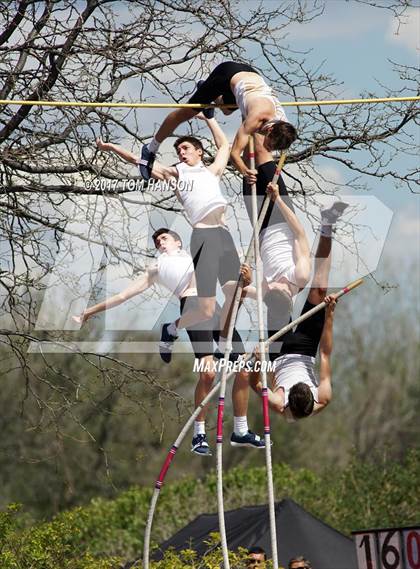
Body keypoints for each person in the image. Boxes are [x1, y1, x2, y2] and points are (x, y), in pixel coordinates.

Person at [72, 228, 265, 455]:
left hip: (214, 308)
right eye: (156, 242)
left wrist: (263, 288)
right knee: (208, 373)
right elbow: (122, 296)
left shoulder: (193, 254)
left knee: (243, 368)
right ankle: (199, 435)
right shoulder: (156, 268)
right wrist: (88, 312)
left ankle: (241, 431)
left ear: (177, 241)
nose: (159, 243)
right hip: (192, 306)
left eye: (164, 239)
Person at [97, 113, 246, 364]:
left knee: (237, 292)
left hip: (225, 236)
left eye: (185, 148)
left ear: (199, 151)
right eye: (178, 150)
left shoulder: (212, 172)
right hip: (204, 237)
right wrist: (110, 147)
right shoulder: (175, 175)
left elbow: (224, 146)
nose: (180, 152)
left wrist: (209, 117)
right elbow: (138, 160)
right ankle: (173, 328)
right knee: (207, 308)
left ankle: (222, 339)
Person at [250, 201, 348, 422]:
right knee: (321, 289)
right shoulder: (323, 397)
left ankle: (270, 247)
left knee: (276, 298)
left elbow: (255, 383)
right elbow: (324, 353)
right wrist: (329, 314)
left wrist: (258, 361)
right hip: (306, 348)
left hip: (278, 351)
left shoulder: (279, 404)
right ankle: (327, 224)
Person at [139, 61, 297, 182]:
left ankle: (209, 96)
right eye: (269, 144)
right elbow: (234, 154)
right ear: (270, 130)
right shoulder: (255, 118)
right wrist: (244, 172)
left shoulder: (284, 125)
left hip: (250, 78)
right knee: (184, 114)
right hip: (226, 75)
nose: (268, 148)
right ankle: (150, 148)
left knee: (227, 110)